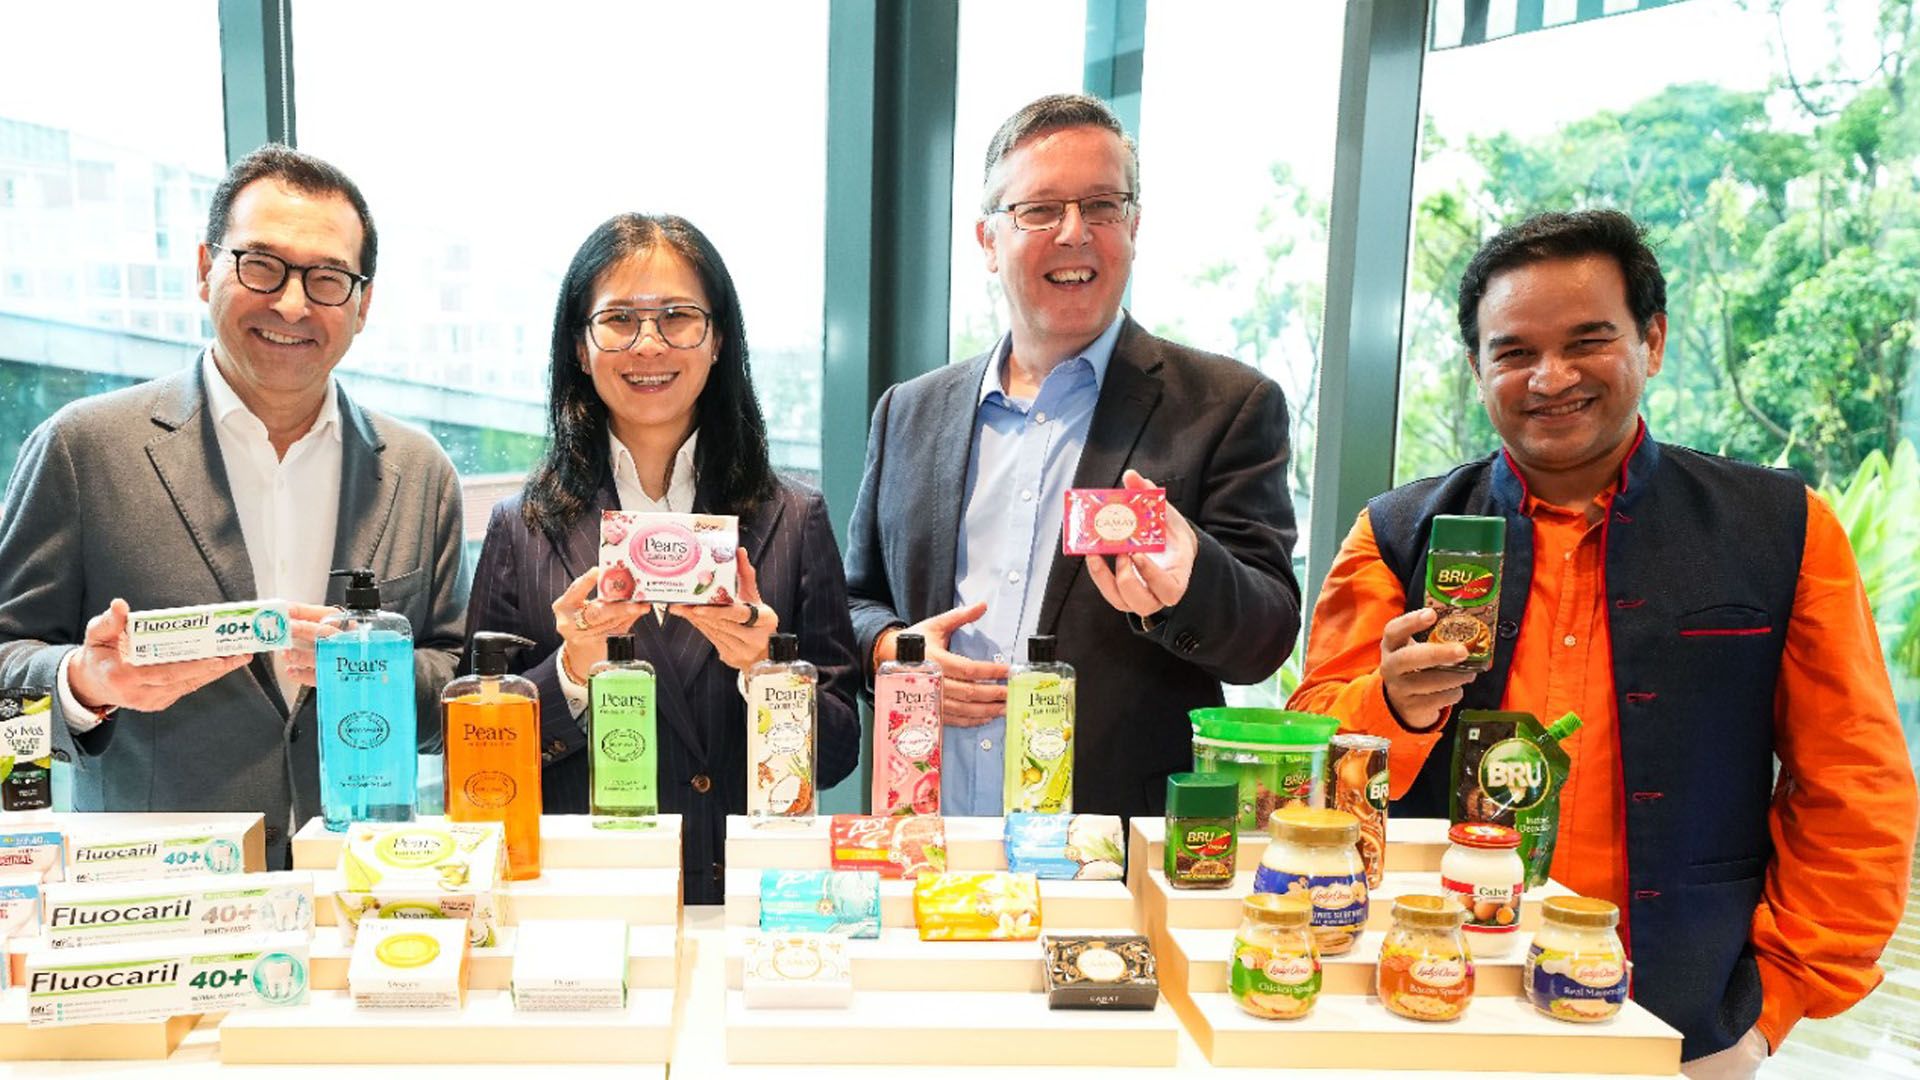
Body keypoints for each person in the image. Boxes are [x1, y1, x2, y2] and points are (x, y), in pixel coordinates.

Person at [1291, 208, 1918, 1075]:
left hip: (1679, 1014)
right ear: (1477, 368)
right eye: (1513, 352)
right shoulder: (1398, 533)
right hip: (1424, 999)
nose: (1551, 377)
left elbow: (1855, 789)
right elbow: (1309, 760)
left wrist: (1773, 1004)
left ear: (1652, 341)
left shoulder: (1780, 528)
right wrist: (1391, 704)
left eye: (1588, 341)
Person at [0, 145, 469, 868]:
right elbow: (7, 666)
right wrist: (84, 683)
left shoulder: (418, 471)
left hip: (368, 886)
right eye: (261, 265)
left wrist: (373, 666)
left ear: (363, 303)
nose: (291, 302)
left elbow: (455, 680)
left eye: (327, 277)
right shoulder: (81, 449)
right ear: (202, 269)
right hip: (158, 907)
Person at [844, 93, 1301, 817]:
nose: (1075, 233)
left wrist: (1189, 581)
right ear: (988, 240)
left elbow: (1267, 635)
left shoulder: (1225, 403)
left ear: (1135, 226)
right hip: (924, 836)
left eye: (1103, 206)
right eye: (1039, 210)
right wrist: (894, 650)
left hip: (1110, 849)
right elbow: (856, 600)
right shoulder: (910, 411)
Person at [466, 213, 861, 903]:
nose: (649, 344)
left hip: (737, 892)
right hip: (579, 898)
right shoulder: (519, 526)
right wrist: (572, 671)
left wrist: (766, 673)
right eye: (619, 319)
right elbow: (477, 756)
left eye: (678, 316)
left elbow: (836, 756)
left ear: (718, 343)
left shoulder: (794, 520)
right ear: (581, 349)